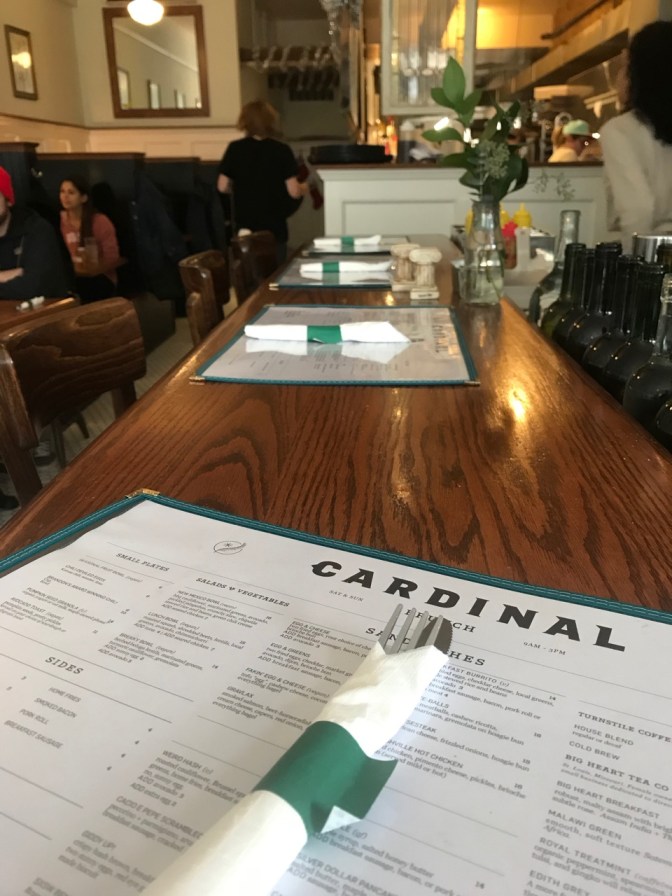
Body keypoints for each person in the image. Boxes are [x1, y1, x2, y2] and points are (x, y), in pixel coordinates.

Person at [601, 21, 672, 248]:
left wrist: (634, 267)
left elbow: (637, 212)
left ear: (639, 74)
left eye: (624, 66)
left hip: (657, 256)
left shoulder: (619, 131)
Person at [217, 100, 308, 263]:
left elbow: (222, 186)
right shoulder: (281, 150)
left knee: (247, 275)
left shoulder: (235, 149)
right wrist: (304, 188)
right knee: (274, 273)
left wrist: (240, 186)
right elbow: (293, 191)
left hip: (245, 226)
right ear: (270, 122)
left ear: (245, 121)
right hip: (274, 228)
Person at [0, 166, 72, 301]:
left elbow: (33, 287)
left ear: (8, 200)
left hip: (45, 318)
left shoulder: (37, 229)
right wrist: (8, 276)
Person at [59, 175, 121, 302]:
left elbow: (112, 256)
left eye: (71, 192)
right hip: (71, 277)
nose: (65, 196)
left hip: (100, 277)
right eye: (62, 192)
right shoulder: (59, 222)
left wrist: (92, 267)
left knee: (87, 288)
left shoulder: (99, 221)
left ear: (83, 197)